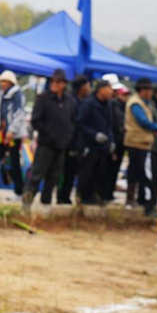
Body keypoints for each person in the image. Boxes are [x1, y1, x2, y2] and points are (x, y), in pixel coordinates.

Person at [23, 68, 74, 209]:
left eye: (58, 81)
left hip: (61, 144)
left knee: (54, 176)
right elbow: (36, 120)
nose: (55, 84)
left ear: (64, 83)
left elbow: (72, 120)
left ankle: (45, 203)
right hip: (46, 143)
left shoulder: (69, 101)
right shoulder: (43, 98)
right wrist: (47, 133)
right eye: (53, 81)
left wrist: (67, 136)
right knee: (36, 174)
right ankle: (27, 202)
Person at [75, 79, 114, 205]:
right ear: (101, 89)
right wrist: (94, 135)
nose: (111, 92)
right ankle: (83, 197)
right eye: (108, 89)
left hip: (102, 146)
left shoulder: (108, 105)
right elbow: (80, 123)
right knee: (87, 172)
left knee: (100, 172)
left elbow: (109, 124)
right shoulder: (89, 103)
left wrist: (111, 140)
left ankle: (94, 196)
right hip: (89, 144)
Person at [124, 78, 157, 213]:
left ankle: (134, 198)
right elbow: (143, 121)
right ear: (143, 91)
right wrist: (156, 127)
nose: (151, 92)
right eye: (149, 90)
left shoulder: (145, 103)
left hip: (142, 142)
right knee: (142, 172)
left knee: (136, 171)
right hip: (137, 142)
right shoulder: (136, 103)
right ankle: (139, 200)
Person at [57, 75, 91, 205]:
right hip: (69, 142)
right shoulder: (71, 101)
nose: (89, 88)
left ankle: (66, 196)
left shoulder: (84, 101)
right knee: (64, 171)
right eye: (87, 85)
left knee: (72, 172)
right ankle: (61, 196)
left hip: (78, 142)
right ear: (81, 87)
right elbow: (73, 122)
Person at [102, 82, 129, 203]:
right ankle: (104, 193)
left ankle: (109, 193)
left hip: (120, 142)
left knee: (114, 169)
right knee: (107, 169)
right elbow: (112, 124)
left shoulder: (124, 107)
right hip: (112, 141)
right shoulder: (112, 105)